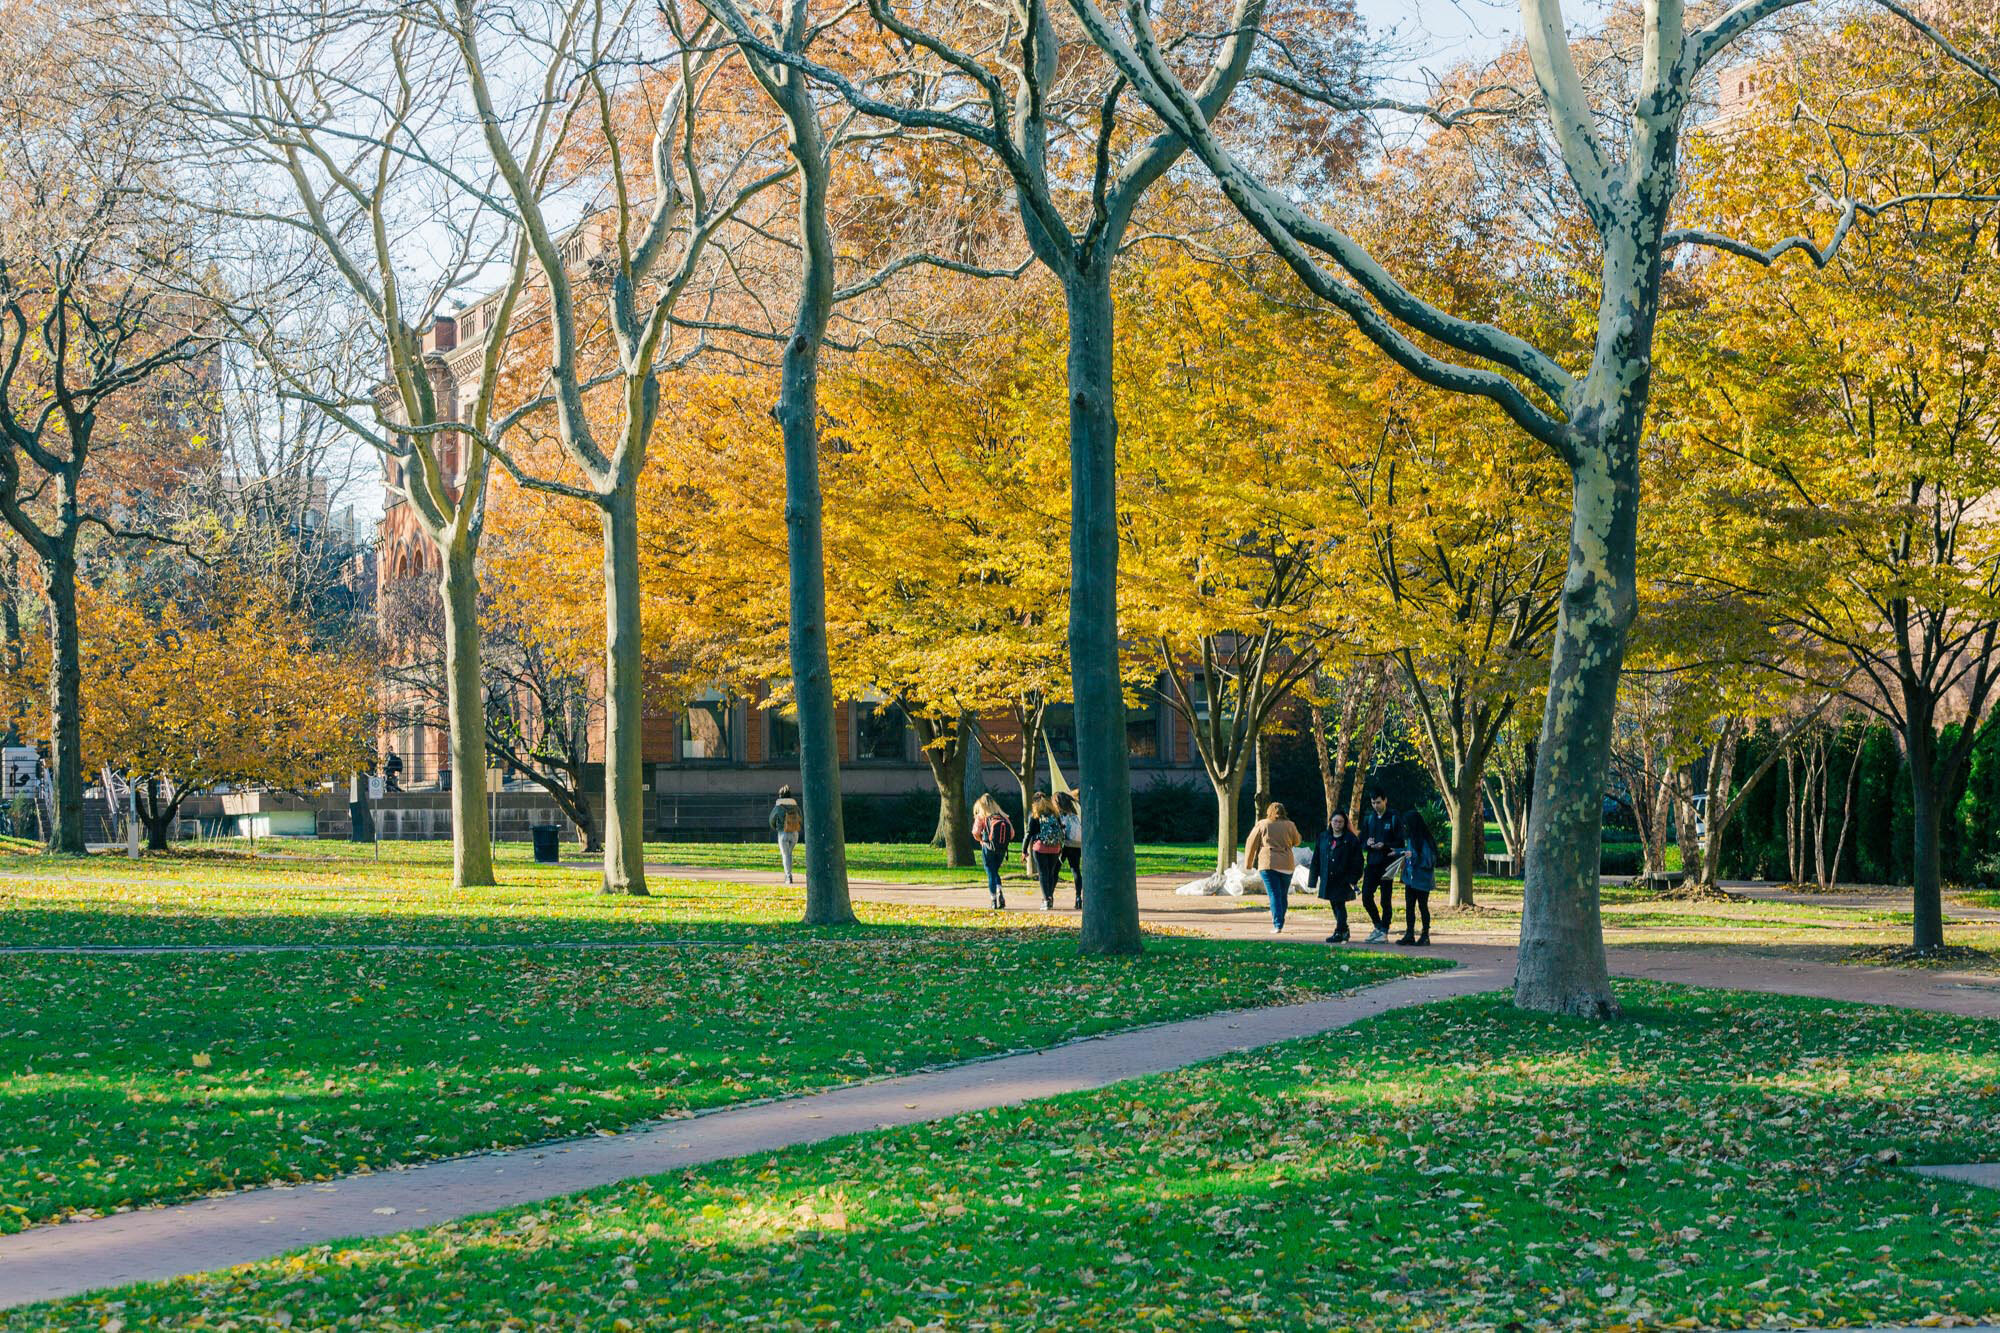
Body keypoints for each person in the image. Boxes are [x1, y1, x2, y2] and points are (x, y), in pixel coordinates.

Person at [1241, 801, 1302, 933]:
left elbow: (1251, 843)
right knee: (1282, 894)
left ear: (1269, 812)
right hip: (1287, 863)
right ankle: (1280, 921)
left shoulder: (1263, 824)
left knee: (1274, 894)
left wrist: (1248, 863)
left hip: (1268, 862)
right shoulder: (1290, 825)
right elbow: (1297, 841)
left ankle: (1277, 924)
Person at [1308, 810, 1363, 944]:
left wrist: (1353, 878)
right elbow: (1316, 858)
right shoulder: (1324, 837)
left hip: (1343, 878)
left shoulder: (1350, 839)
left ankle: (1339, 931)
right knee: (1334, 903)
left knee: (1339, 904)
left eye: (1340, 822)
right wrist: (1313, 879)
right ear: (1330, 822)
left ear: (1344, 823)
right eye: (1335, 821)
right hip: (1328, 876)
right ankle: (1344, 929)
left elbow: (1358, 860)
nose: (1337, 824)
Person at [1358, 790, 1401, 942]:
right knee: (1366, 897)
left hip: (1387, 865)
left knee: (1385, 900)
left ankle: (1384, 930)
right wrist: (1367, 844)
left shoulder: (1394, 817)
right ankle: (1378, 926)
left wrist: (1386, 845)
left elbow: (1400, 842)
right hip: (1372, 863)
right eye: (1373, 803)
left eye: (1378, 802)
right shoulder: (1369, 819)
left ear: (1385, 800)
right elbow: (1362, 841)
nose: (1376, 806)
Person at [1397, 809, 1438, 947]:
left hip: (1422, 880)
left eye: (1406, 824)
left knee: (1422, 906)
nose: (1404, 827)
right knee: (1409, 906)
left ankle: (1425, 934)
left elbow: (1428, 862)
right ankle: (1409, 934)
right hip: (1410, 879)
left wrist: (1412, 855)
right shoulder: (1410, 839)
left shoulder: (1425, 841)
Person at [1022, 793, 1066, 910]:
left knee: (1043, 873)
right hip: (1055, 848)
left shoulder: (1035, 815)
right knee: (1051, 873)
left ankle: (1046, 899)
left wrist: (1024, 850)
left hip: (1040, 847)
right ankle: (1050, 897)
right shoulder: (1055, 814)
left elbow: (1028, 834)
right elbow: (1061, 830)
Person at [972, 792, 1013, 909]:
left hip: (987, 847)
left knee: (990, 872)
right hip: (1001, 849)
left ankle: (993, 899)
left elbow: (975, 832)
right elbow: (1012, 833)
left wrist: (981, 840)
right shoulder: (1002, 816)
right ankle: (999, 890)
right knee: (995, 871)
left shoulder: (982, 816)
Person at [1055, 790, 1084, 911]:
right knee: (1075, 869)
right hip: (1077, 845)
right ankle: (1078, 897)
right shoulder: (1075, 814)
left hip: (1066, 845)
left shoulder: (1062, 816)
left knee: (1055, 869)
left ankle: (1049, 896)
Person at [769, 785, 803, 884]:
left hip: (783, 833)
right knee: (789, 854)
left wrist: (776, 827)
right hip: (795, 834)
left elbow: (771, 820)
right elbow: (800, 818)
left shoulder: (778, 807)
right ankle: (788, 874)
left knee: (785, 855)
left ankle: (788, 876)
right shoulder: (796, 806)